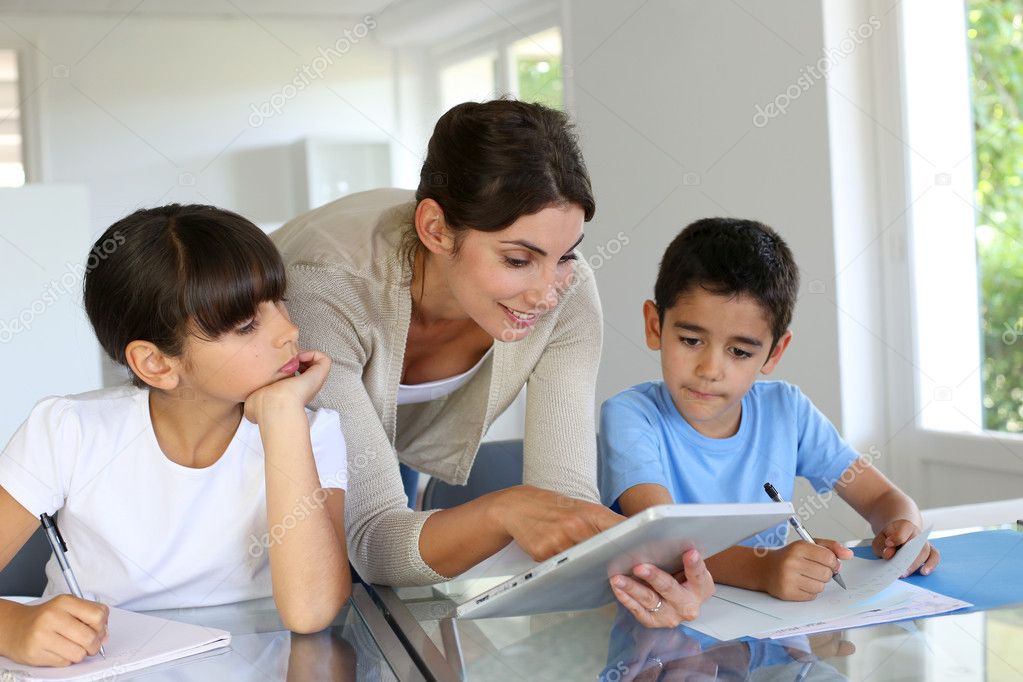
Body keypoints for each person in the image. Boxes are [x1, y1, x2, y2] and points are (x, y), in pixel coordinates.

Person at [272, 99, 712, 627]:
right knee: (338, 602)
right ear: (435, 230)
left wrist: (649, 572)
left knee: (399, 606)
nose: (548, 294)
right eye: (518, 260)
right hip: (265, 446)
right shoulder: (324, 288)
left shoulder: (569, 295)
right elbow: (374, 542)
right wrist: (505, 509)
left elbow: (562, 505)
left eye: (566, 255)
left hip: (394, 437)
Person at [0, 205, 350, 667]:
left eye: (279, 302)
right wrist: (11, 626)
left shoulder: (311, 432)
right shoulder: (69, 430)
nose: (289, 330)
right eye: (247, 326)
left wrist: (285, 418)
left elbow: (311, 611)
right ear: (157, 364)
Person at [599, 217, 940, 602]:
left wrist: (903, 530)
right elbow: (660, 540)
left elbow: (882, 499)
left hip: (767, 636)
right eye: (691, 340)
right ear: (654, 325)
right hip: (656, 630)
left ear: (774, 353)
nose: (710, 370)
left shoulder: (787, 411)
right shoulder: (630, 415)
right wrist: (764, 568)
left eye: (740, 352)